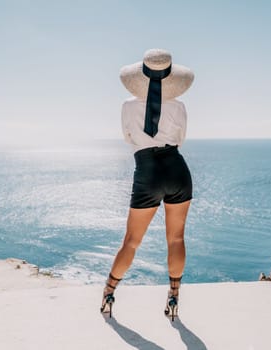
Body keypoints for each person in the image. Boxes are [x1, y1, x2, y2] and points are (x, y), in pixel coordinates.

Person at [100, 49, 194, 320]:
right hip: (177, 168)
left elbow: (129, 138)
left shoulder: (128, 106)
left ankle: (108, 293)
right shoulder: (179, 106)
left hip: (147, 170)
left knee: (131, 241)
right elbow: (181, 138)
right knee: (176, 238)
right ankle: (174, 296)